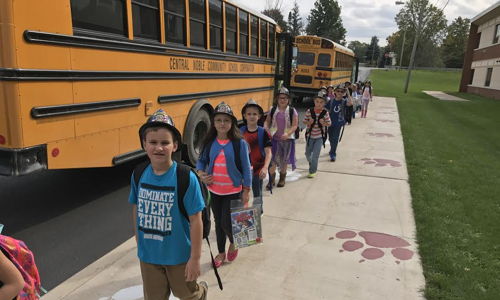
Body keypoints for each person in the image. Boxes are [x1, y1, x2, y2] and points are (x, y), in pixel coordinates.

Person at [130, 109, 208, 300]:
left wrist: (195, 258)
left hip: (179, 256)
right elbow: (135, 207)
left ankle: (202, 292)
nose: (159, 148)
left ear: (174, 146)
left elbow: (196, 219)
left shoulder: (184, 177)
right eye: (153, 142)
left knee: (187, 294)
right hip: (149, 254)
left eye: (165, 143)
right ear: (144, 145)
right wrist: (138, 239)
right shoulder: (138, 174)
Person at [196, 102, 252, 268]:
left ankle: (235, 242)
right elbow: (201, 160)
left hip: (233, 190)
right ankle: (220, 253)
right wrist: (200, 173)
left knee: (227, 223)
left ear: (232, 123)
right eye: (218, 120)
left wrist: (246, 190)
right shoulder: (209, 142)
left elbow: (246, 168)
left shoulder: (238, 143)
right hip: (214, 191)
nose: (222, 124)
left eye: (226, 120)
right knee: (218, 222)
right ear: (213, 123)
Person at [240, 99, 272, 213]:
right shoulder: (240, 132)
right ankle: (243, 212)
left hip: (258, 169)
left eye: (254, 114)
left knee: (257, 192)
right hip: (244, 169)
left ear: (259, 116)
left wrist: (265, 167)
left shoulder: (263, 133)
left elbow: (268, 152)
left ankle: (259, 211)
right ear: (244, 116)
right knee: (242, 192)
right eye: (249, 114)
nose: (252, 116)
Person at [264, 87, 299, 188]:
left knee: (284, 161)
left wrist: (288, 134)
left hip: (287, 141)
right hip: (274, 140)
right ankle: (271, 180)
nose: (282, 100)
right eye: (280, 98)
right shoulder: (273, 110)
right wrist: (266, 127)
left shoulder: (293, 111)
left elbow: (294, 125)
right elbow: (267, 121)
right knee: (272, 162)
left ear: (288, 100)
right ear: (277, 99)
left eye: (285, 98)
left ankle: (282, 178)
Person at [303, 92, 331, 178]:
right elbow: (304, 121)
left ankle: (312, 171)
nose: (319, 104)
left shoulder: (325, 113)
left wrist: (324, 123)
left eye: (321, 102)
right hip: (310, 136)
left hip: (319, 137)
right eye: (317, 101)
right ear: (314, 101)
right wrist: (309, 122)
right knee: (307, 154)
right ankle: (312, 163)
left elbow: (329, 123)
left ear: (324, 103)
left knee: (315, 155)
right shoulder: (309, 111)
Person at [325, 84, 352, 162]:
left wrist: (348, 93)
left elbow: (350, 103)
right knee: (330, 138)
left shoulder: (344, 101)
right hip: (330, 122)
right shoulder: (331, 101)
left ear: (343, 93)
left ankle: (333, 154)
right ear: (335, 92)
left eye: (341, 91)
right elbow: (326, 109)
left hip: (339, 123)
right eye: (338, 91)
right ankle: (332, 149)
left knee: (335, 138)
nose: (340, 93)